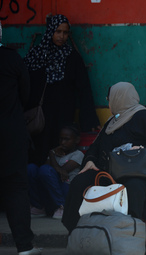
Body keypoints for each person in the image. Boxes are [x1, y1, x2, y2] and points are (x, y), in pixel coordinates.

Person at [62, 82, 146, 253]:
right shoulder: (112, 121)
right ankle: (81, 234)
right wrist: (90, 161)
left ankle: (132, 240)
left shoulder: (143, 116)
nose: (108, 102)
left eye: (110, 99)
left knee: (133, 187)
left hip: (135, 172)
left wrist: (145, 149)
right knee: (80, 182)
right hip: (107, 172)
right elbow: (95, 148)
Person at [24, 14, 100, 166]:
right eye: (58, 31)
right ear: (50, 31)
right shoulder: (37, 56)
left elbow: (84, 90)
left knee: (60, 150)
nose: (61, 36)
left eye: (65, 33)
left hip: (62, 115)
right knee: (39, 152)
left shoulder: (72, 57)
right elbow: (25, 85)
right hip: (41, 117)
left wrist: (90, 120)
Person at [0, 43, 41, 254]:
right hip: (10, 134)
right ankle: (25, 246)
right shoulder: (11, 58)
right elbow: (26, 94)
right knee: (16, 188)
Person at [27, 124, 84, 219]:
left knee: (46, 170)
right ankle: (38, 207)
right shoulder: (55, 153)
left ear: (76, 140)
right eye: (61, 139)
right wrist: (53, 154)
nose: (62, 142)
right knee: (31, 168)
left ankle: (62, 207)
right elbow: (43, 172)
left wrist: (52, 155)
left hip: (66, 190)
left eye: (67, 139)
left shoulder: (78, 155)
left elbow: (62, 171)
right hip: (52, 191)